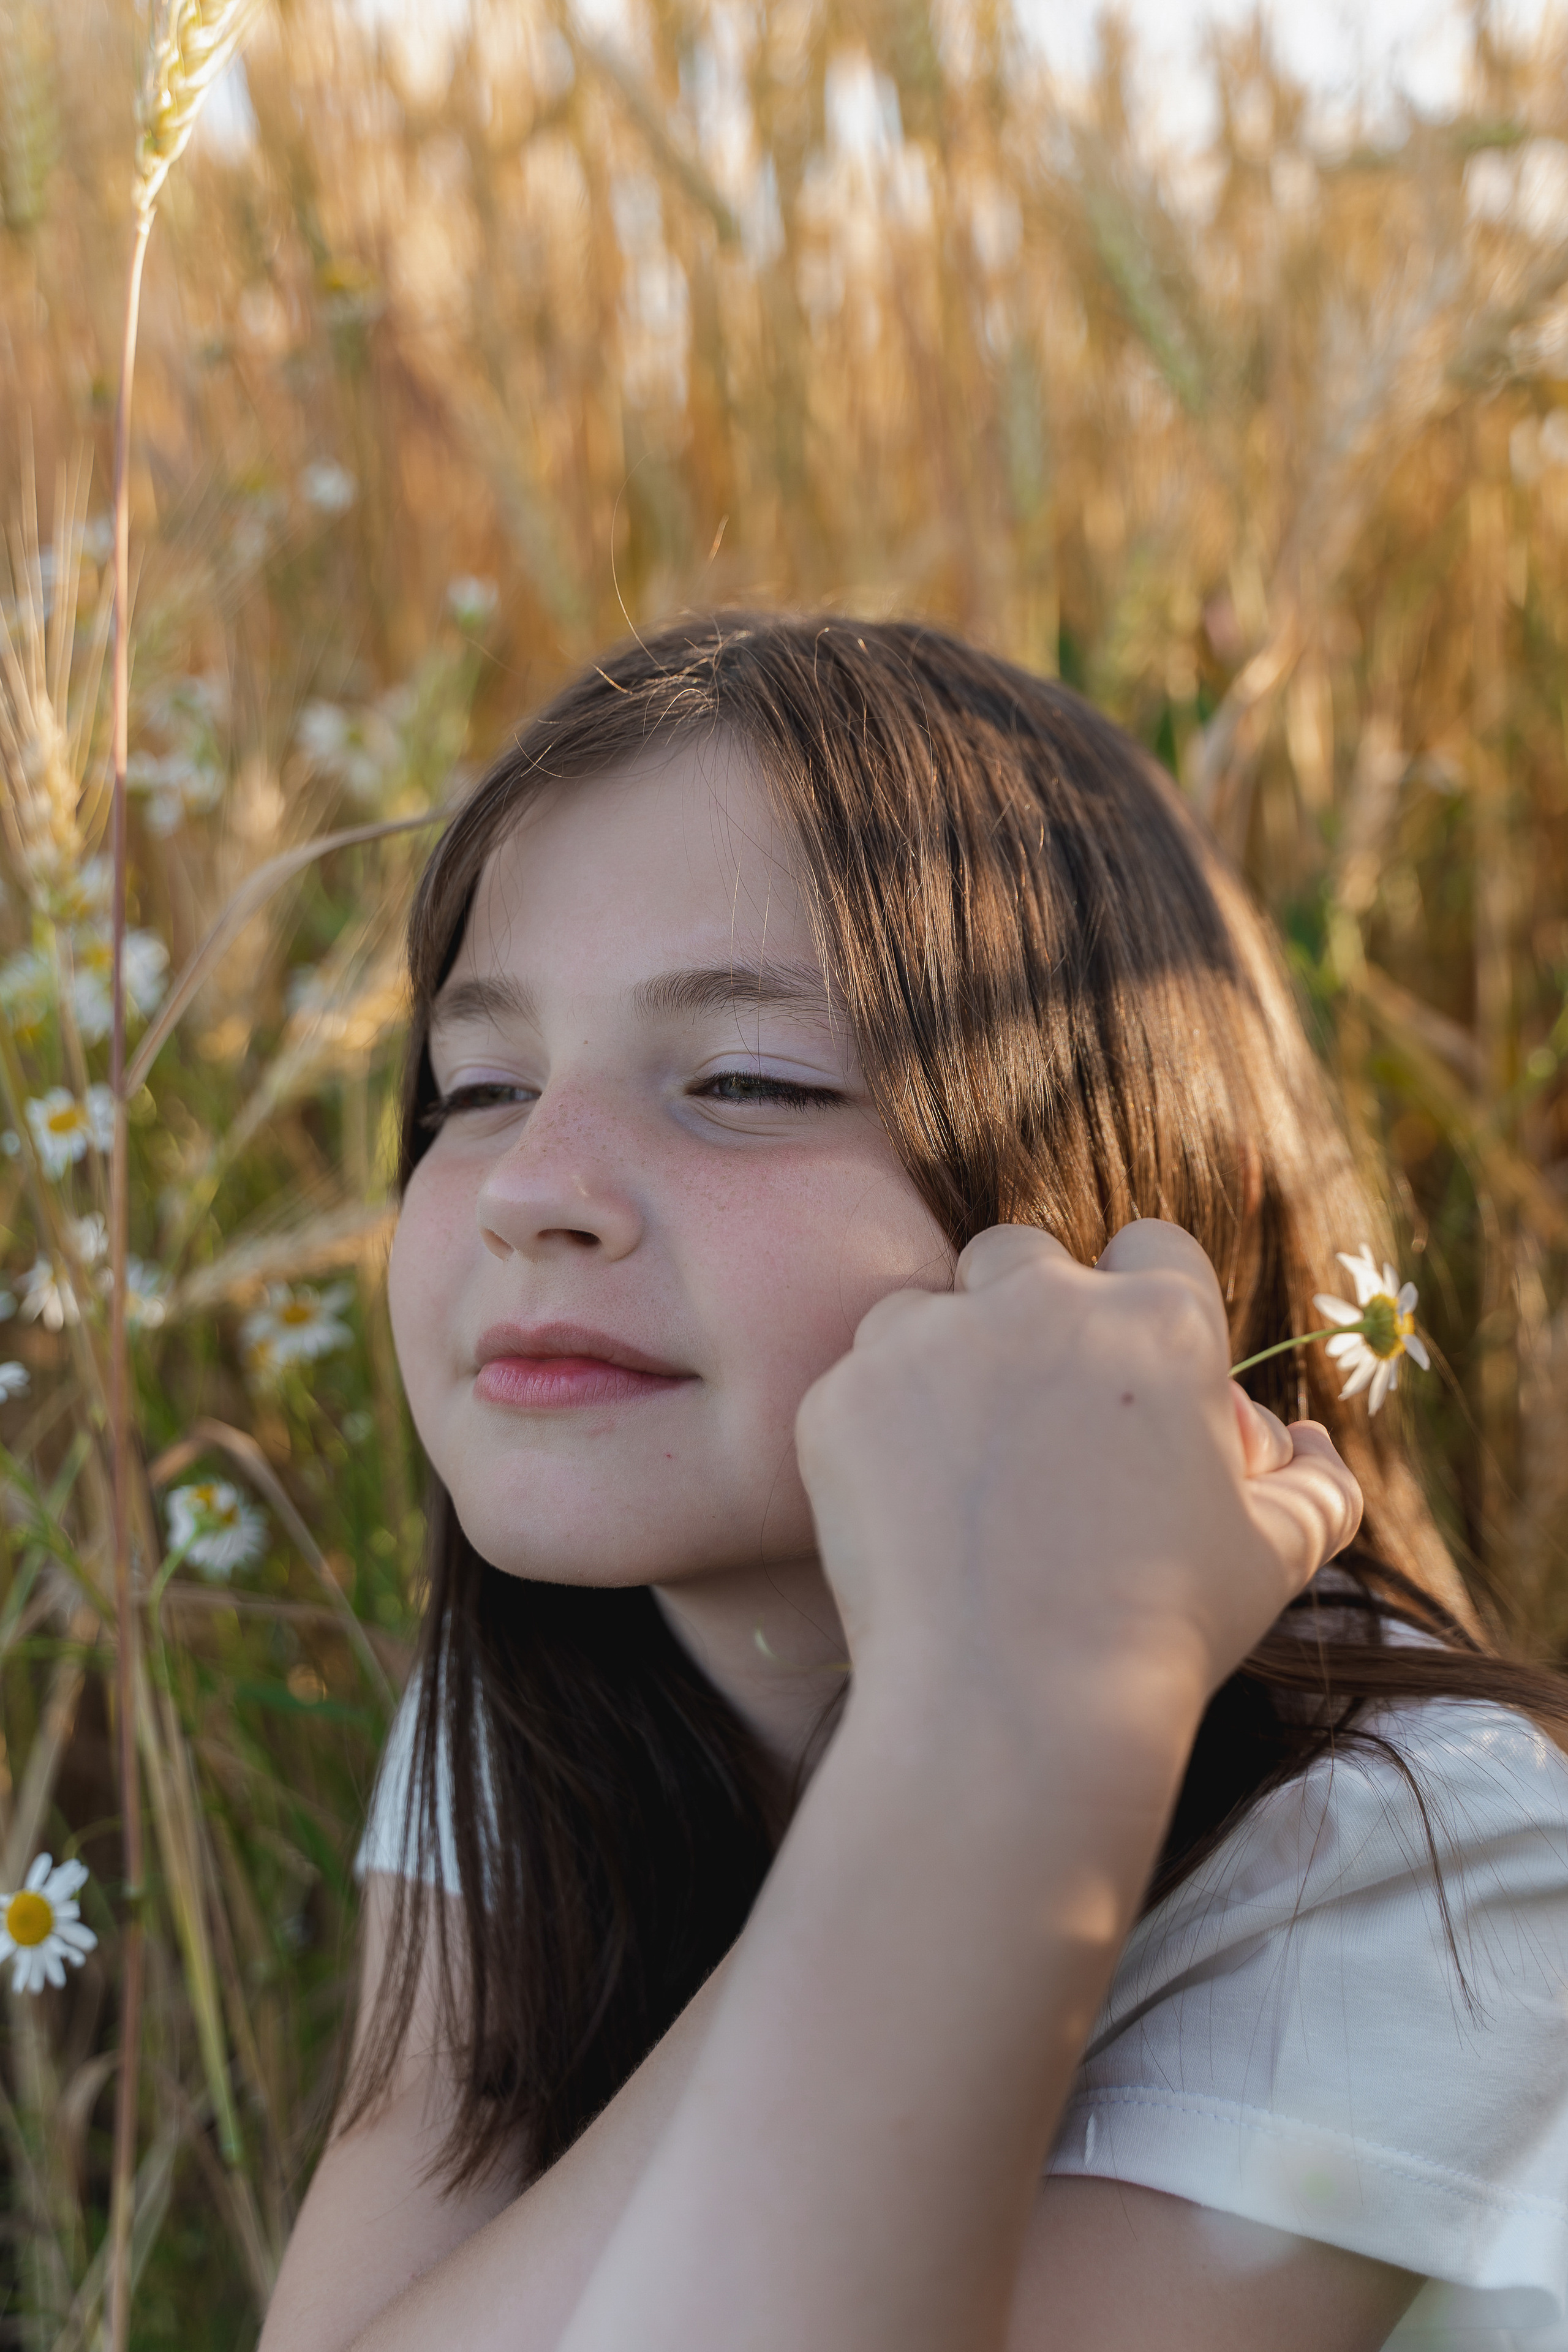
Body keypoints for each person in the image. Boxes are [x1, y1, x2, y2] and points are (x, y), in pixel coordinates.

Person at [259, 614, 1568, 2352]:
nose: (530, 1186)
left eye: (746, 1080)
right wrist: (985, 1702)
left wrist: (1025, 1710)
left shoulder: (1421, 1851)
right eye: (478, 1085)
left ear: (1089, 1218)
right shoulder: (532, 1721)